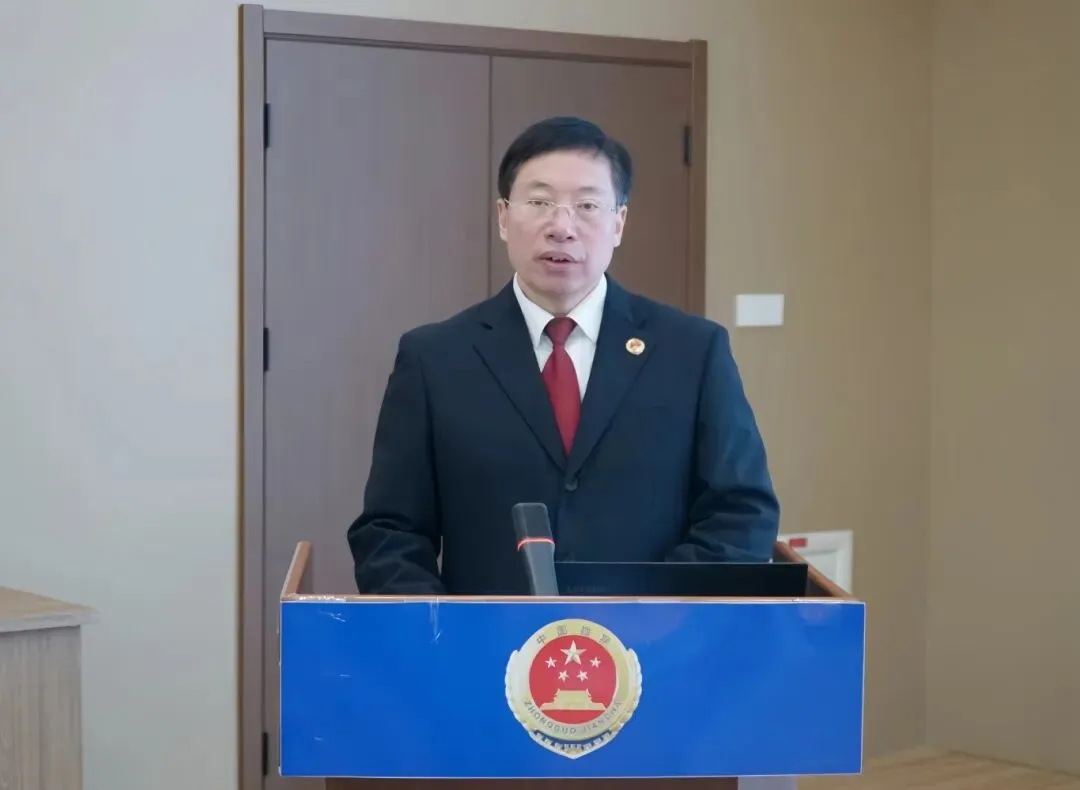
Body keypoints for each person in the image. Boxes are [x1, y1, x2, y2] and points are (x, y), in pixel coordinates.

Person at [347, 116, 779, 595]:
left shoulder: (692, 352)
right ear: (503, 217)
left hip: (649, 637)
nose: (562, 227)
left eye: (587, 205)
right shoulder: (435, 359)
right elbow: (390, 533)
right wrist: (443, 630)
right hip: (487, 640)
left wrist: (657, 613)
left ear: (619, 223)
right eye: (540, 203)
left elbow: (741, 512)